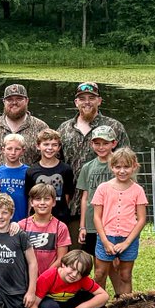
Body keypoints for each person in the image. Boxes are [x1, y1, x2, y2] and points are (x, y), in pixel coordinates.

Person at [57, 82, 129, 234]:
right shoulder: (64, 128)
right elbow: (56, 163)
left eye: (91, 97)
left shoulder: (115, 127)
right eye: (82, 98)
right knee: (74, 254)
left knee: (106, 252)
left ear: (99, 100)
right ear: (76, 102)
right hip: (71, 203)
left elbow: (126, 163)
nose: (87, 102)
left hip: (108, 204)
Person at [91, 147, 147, 297]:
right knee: (100, 273)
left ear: (134, 166)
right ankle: (97, 306)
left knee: (125, 275)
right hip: (106, 236)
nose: (122, 171)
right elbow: (97, 216)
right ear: (112, 167)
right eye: (118, 167)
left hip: (128, 238)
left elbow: (141, 219)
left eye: (126, 167)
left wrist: (127, 243)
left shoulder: (138, 190)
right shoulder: (103, 188)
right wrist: (105, 241)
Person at [35, 250, 108, 308]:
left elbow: (104, 296)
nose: (74, 275)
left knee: (92, 296)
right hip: (48, 305)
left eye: (79, 273)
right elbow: (34, 303)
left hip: (66, 304)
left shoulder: (82, 279)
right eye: (72, 269)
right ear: (63, 264)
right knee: (50, 307)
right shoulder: (48, 277)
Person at [0, 83, 50, 166]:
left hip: (29, 178)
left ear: (27, 101)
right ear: (4, 102)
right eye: (9, 99)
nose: (14, 102)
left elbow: (51, 157)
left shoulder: (41, 128)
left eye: (19, 99)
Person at [76, 126, 118, 254]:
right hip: (92, 222)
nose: (101, 147)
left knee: (114, 262)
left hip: (113, 220)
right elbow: (85, 198)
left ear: (114, 143)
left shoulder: (120, 166)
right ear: (91, 144)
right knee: (94, 260)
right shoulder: (87, 167)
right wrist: (83, 226)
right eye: (97, 143)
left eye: (105, 143)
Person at [24, 129, 75, 229]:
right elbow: (30, 197)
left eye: (54, 145)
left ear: (59, 147)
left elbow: (67, 195)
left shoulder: (66, 169)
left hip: (60, 217)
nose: (50, 148)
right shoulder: (31, 171)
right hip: (37, 218)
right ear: (38, 146)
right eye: (46, 144)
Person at [17, 183, 70, 274]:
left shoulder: (61, 227)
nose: (42, 203)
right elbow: (17, 254)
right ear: (31, 202)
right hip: (25, 276)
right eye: (38, 199)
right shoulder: (22, 225)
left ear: (53, 202)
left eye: (47, 199)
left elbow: (61, 258)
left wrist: (44, 277)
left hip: (50, 277)